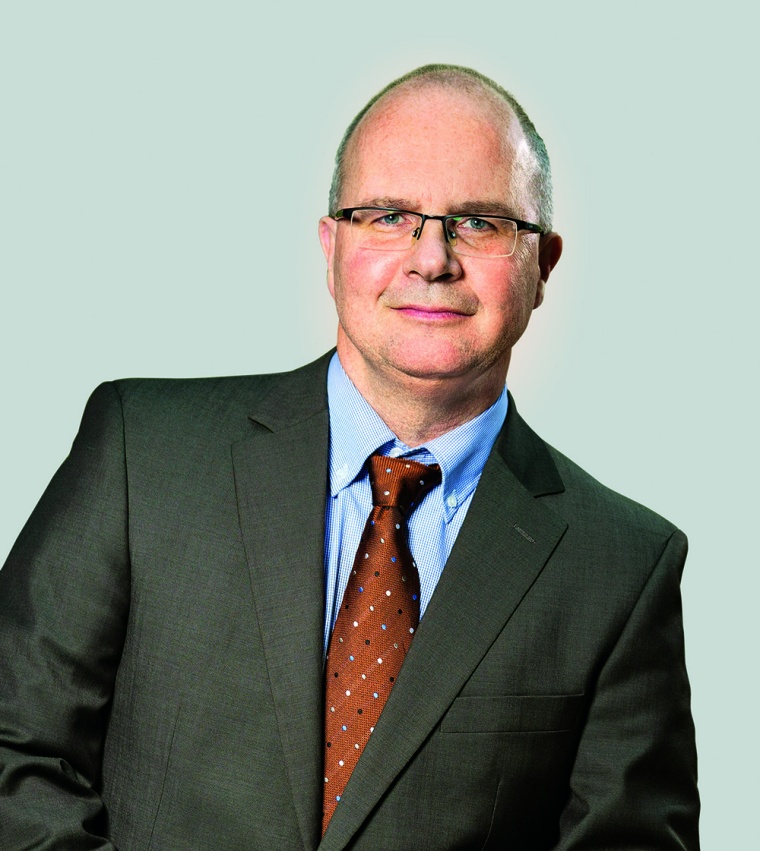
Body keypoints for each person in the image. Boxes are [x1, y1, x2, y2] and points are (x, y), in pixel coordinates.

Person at [0, 64, 699, 850]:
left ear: (544, 265)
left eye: (480, 222)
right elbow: (15, 748)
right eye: (388, 215)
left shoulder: (621, 567)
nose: (431, 259)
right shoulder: (142, 453)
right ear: (331, 248)